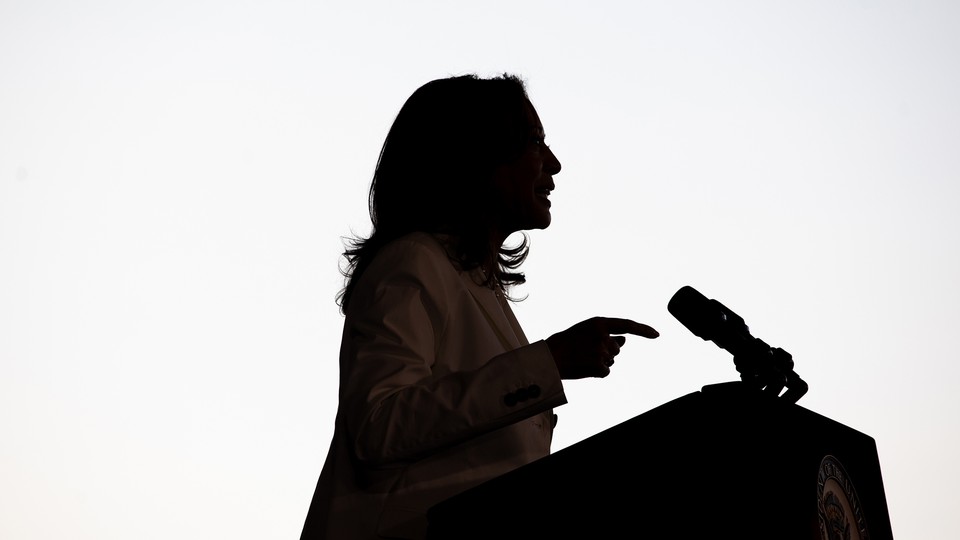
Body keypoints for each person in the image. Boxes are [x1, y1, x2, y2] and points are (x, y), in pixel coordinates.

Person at [299, 73, 659, 540]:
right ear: (475, 156)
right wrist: (549, 363)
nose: (554, 163)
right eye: (535, 142)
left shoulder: (475, 285)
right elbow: (379, 426)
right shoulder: (412, 261)